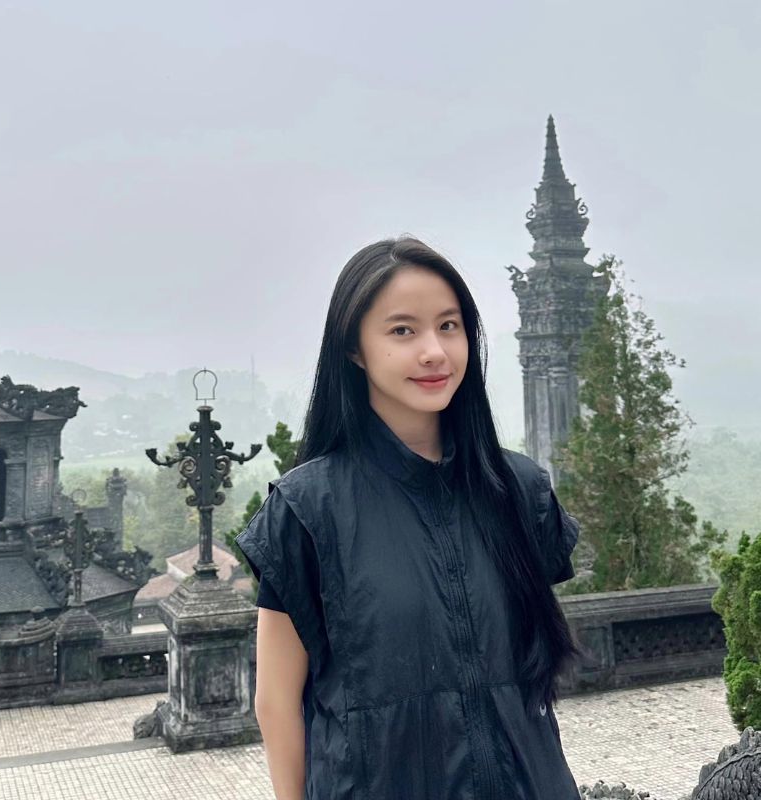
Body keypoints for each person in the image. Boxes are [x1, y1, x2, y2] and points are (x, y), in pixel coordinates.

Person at [234, 237, 583, 800]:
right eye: (403, 330)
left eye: (449, 326)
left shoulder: (519, 491)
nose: (434, 352)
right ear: (354, 349)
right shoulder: (307, 509)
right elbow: (276, 702)